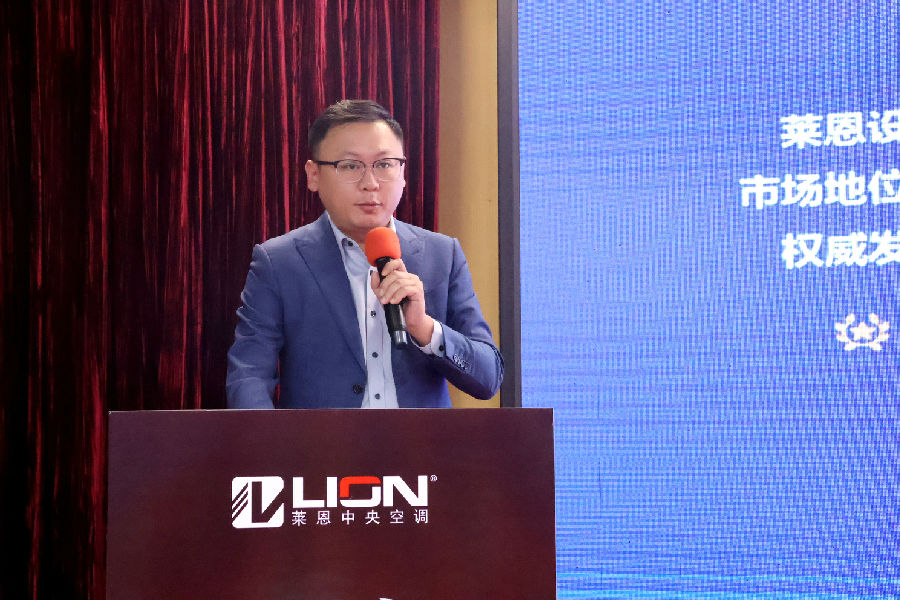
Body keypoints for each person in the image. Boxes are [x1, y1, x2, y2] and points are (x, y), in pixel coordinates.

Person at [226, 99, 503, 409]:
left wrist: (424, 328)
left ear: (403, 172)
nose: (370, 184)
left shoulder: (442, 254)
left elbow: (488, 378)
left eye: (384, 165)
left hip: (419, 442)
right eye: (350, 166)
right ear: (313, 175)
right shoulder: (278, 262)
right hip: (322, 442)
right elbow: (248, 376)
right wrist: (269, 439)